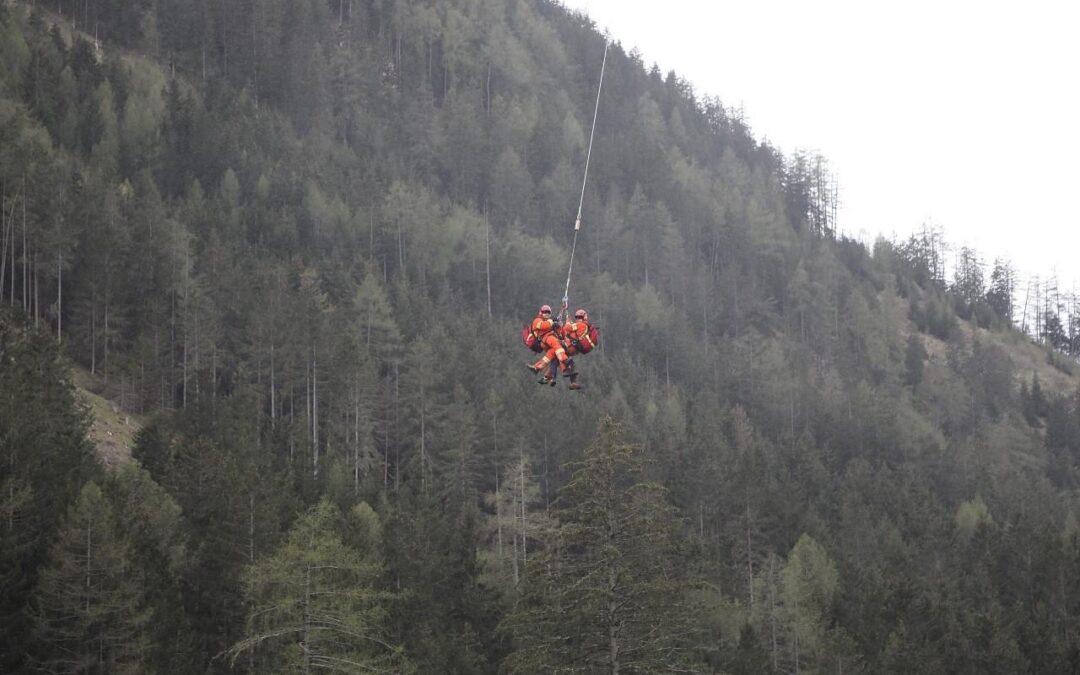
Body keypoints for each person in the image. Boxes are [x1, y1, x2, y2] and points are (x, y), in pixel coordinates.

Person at [526, 304, 570, 383]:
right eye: (545, 312)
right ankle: (564, 360)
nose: (546, 313)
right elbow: (543, 326)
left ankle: (538, 367)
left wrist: (558, 325)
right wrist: (551, 321)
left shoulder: (550, 322)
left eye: (548, 312)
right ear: (541, 312)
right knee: (557, 345)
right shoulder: (537, 320)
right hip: (545, 339)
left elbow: (560, 333)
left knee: (551, 353)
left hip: (548, 340)